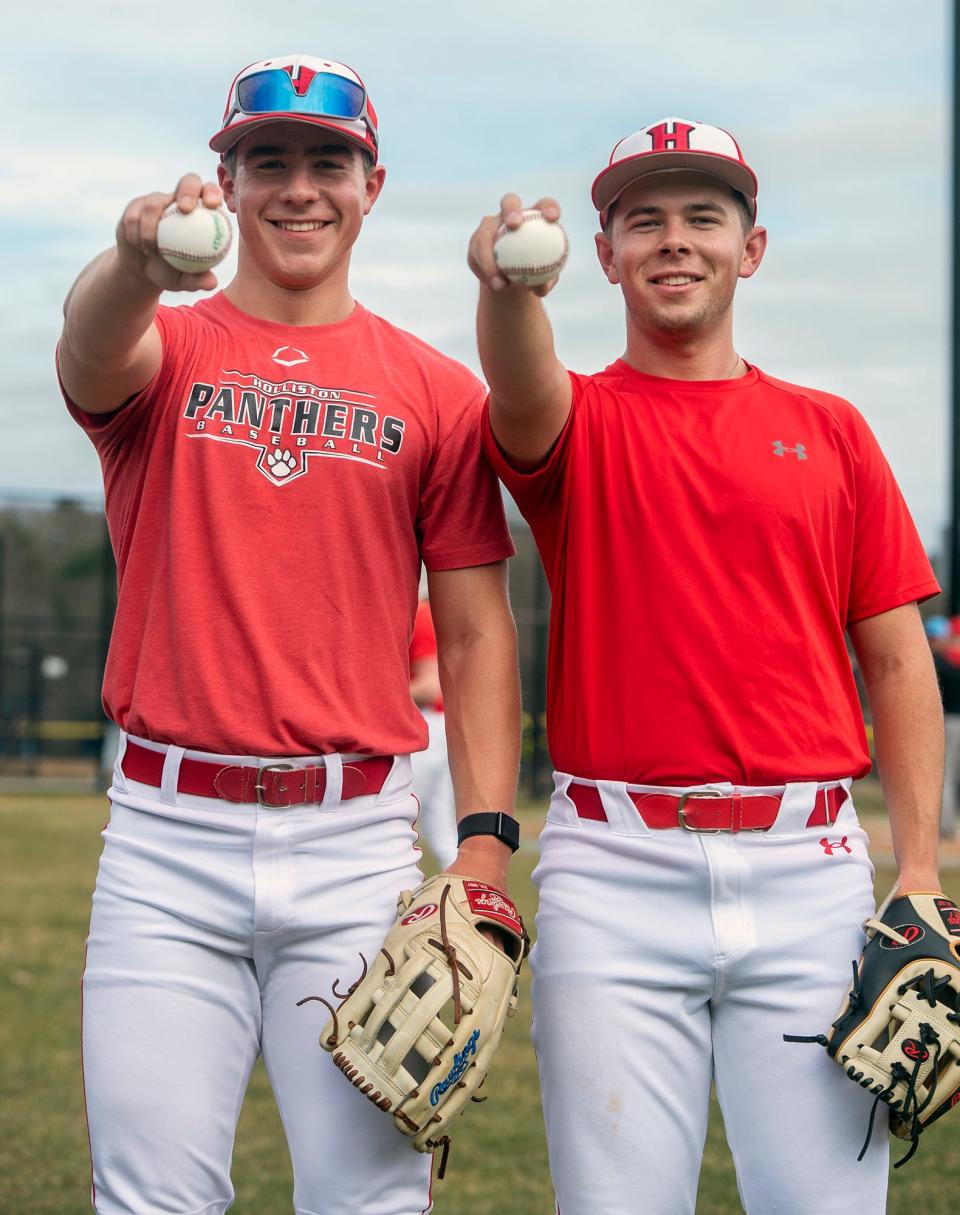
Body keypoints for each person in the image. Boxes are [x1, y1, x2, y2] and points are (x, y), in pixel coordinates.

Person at [58, 53, 521, 1215]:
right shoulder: (168, 353)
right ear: (225, 180)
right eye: (269, 161)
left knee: (369, 1203)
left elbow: (472, 636)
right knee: (148, 1198)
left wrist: (482, 844)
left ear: (371, 186)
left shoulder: (436, 390)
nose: (300, 188)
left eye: (329, 162)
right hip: (168, 843)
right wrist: (132, 260)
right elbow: (90, 347)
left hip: (356, 848)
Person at [467, 117, 945, 1213]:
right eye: (644, 220)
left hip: (810, 872)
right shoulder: (577, 419)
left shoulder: (831, 431)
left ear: (752, 247)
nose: (673, 241)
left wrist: (918, 873)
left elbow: (898, 662)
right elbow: (518, 381)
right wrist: (504, 290)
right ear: (603, 254)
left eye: (701, 217)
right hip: (614, 869)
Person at [409, 591, 459, 868]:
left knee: (401, 823)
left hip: (424, 729)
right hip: (432, 730)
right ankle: (460, 902)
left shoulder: (419, 613)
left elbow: (430, 687)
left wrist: (371, 699)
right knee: (442, 830)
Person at [925, 614, 960, 838]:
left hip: (945, 722)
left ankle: (945, 827)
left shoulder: (936, 665)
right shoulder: (952, 665)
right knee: (951, 774)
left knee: (943, 774)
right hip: (954, 722)